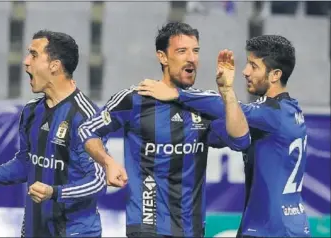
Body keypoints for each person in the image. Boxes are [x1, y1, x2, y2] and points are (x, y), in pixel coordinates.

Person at [78, 22, 251, 237]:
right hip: (147, 225)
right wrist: (108, 162)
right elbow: (87, 130)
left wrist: (227, 91)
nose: (191, 58)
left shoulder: (203, 105)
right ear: (162, 57)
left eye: (195, 51)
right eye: (182, 51)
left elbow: (241, 140)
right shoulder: (136, 98)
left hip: (192, 229)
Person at [137, 35, 311, 237]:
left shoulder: (271, 114)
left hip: (269, 227)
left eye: (253, 66)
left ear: (275, 75)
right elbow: (222, 130)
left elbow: (225, 106)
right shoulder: (290, 111)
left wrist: (176, 93)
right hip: (295, 225)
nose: (245, 72)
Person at [0, 30, 106, 237]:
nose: (26, 62)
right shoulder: (31, 111)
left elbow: (98, 181)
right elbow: (26, 162)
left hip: (74, 232)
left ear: (54, 65)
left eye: (34, 55)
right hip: (34, 229)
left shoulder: (86, 116)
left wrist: (54, 192)